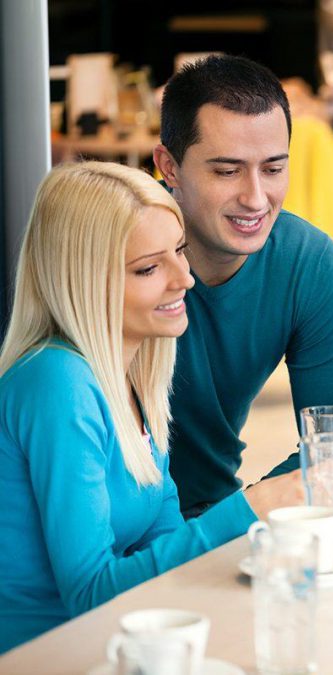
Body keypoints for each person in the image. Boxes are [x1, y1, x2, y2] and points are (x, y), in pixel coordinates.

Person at [0, 162, 285, 652]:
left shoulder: (133, 379)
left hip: (111, 644)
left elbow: (166, 543)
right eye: (149, 268)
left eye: (180, 251)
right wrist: (248, 511)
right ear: (86, 281)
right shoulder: (57, 383)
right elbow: (89, 594)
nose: (185, 279)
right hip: (41, 655)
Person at [151, 55, 333, 518]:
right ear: (170, 166)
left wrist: (244, 512)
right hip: (114, 533)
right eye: (227, 171)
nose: (256, 198)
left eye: (273, 168)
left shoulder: (308, 263)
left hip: (214, 513)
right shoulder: (113, 251)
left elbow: (331, 446)